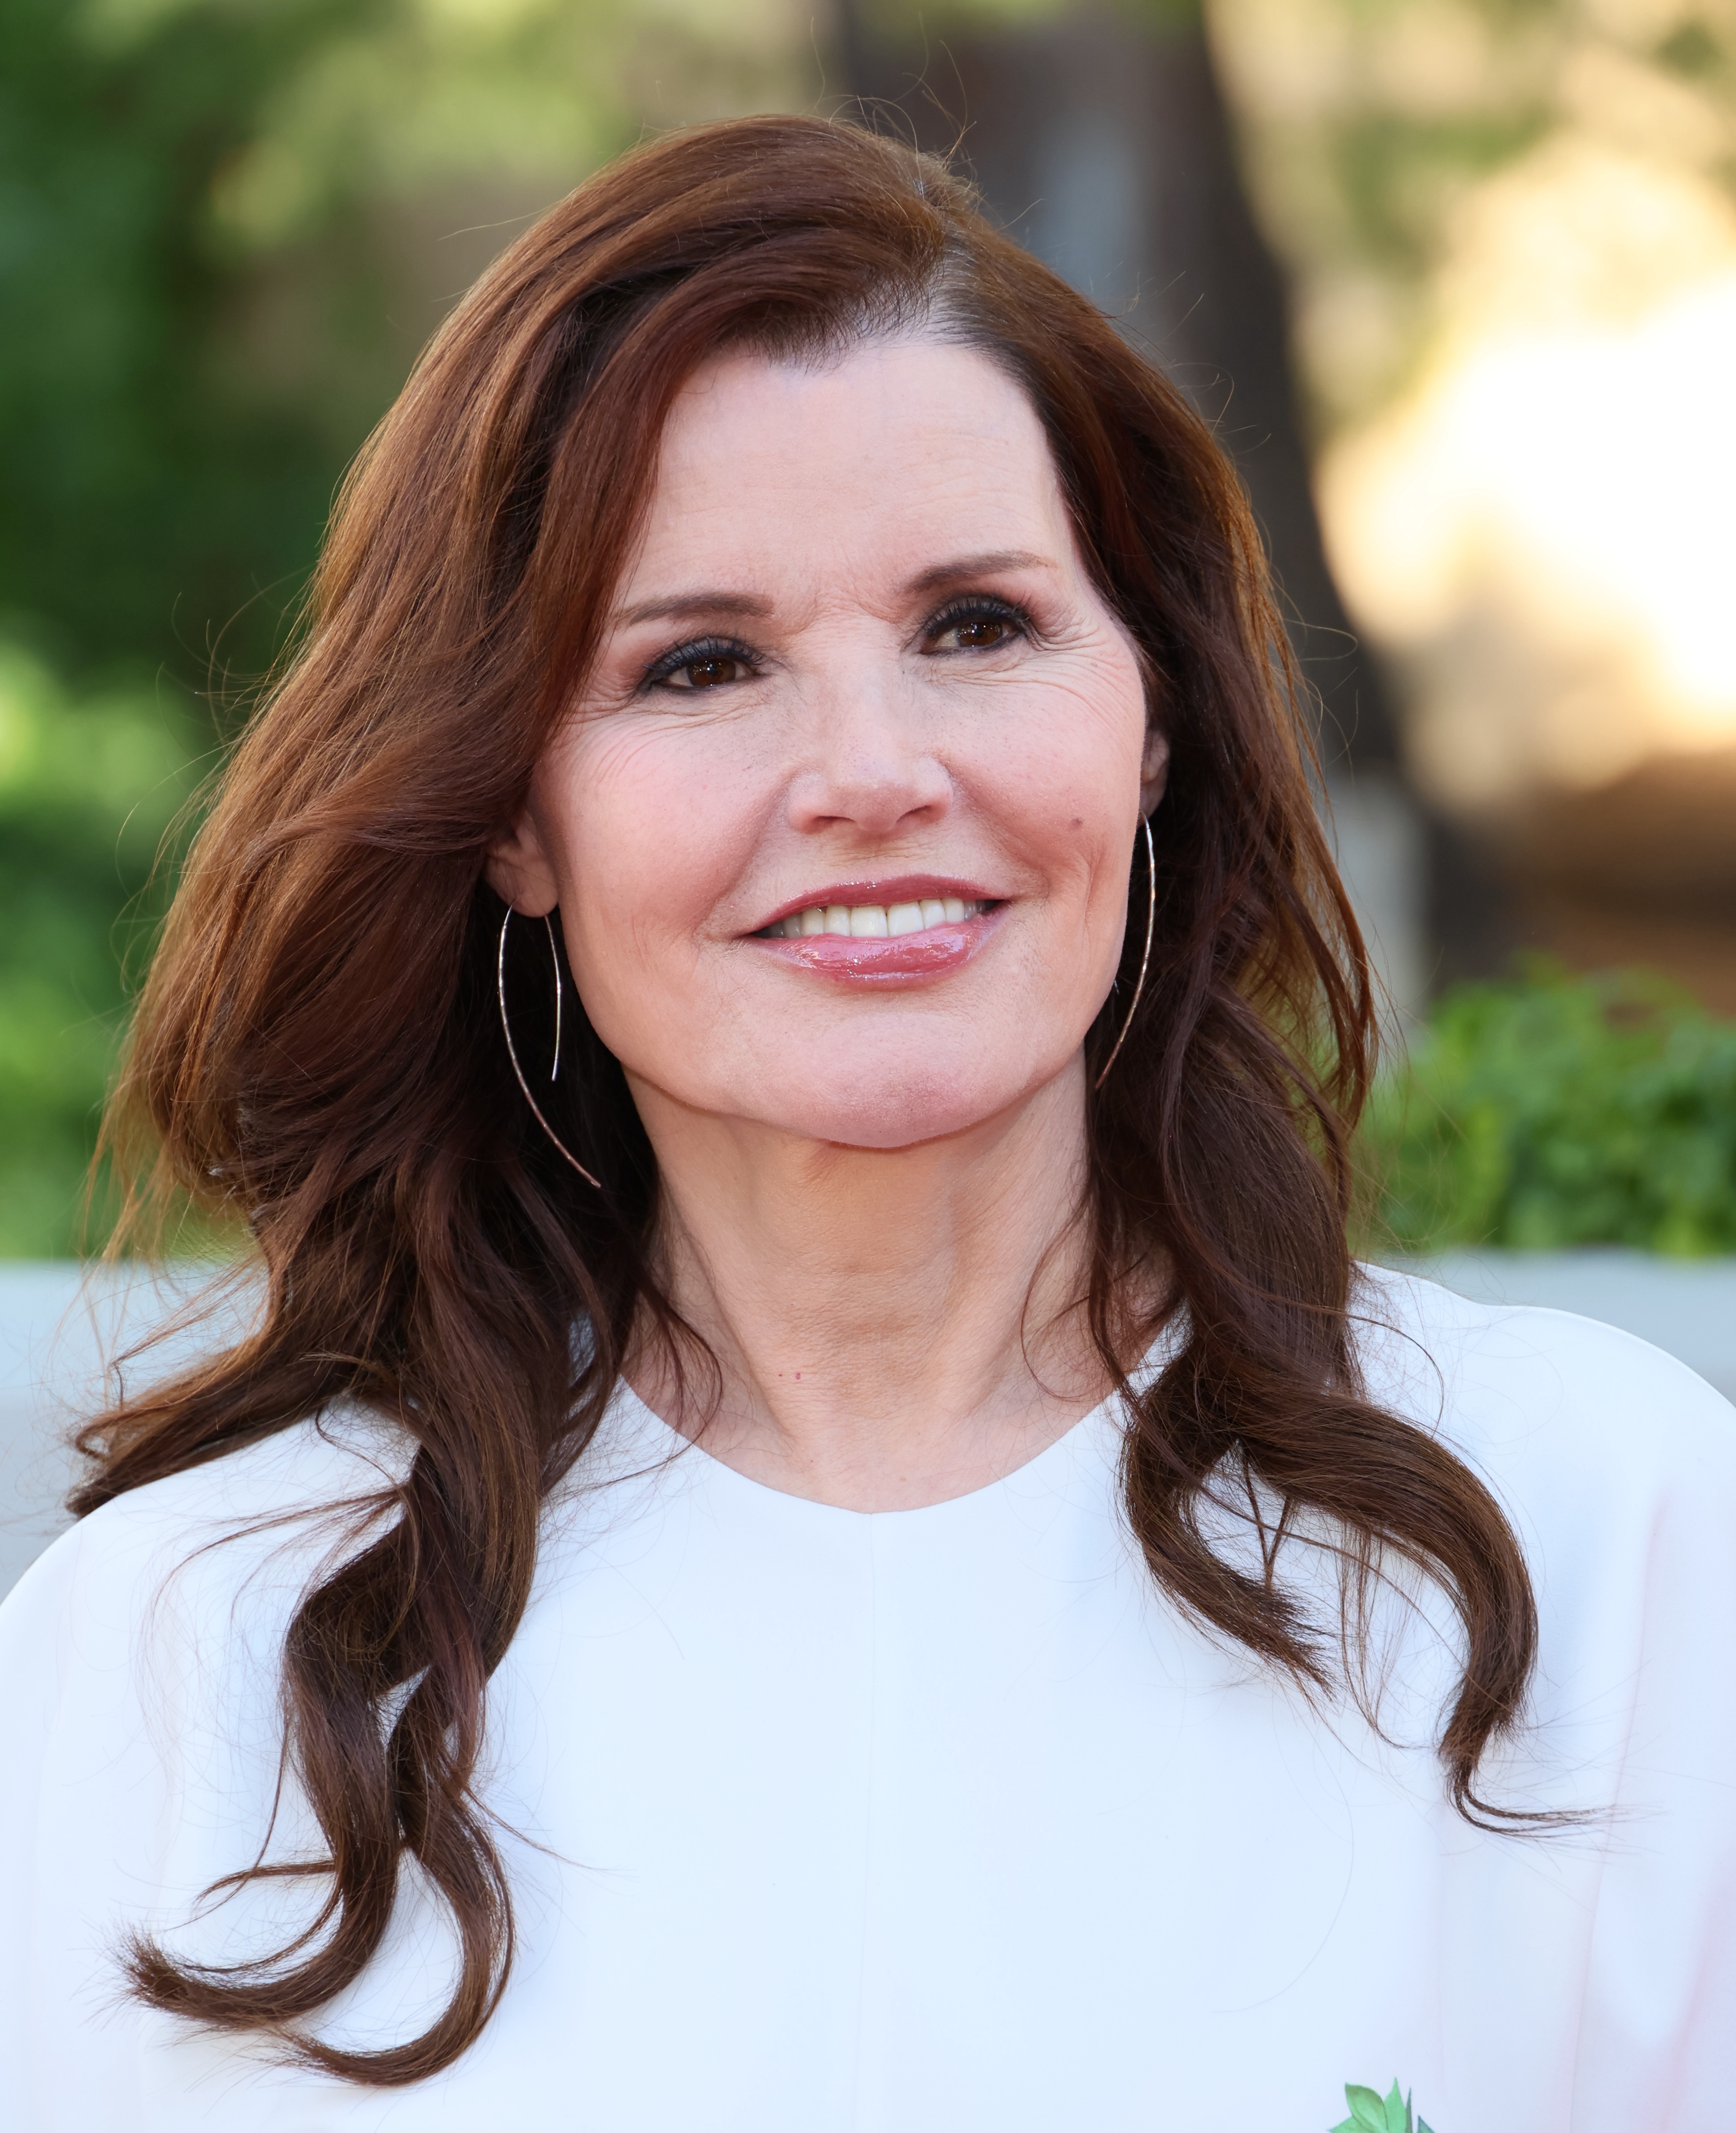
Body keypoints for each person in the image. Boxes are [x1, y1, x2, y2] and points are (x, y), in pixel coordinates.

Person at [0, 115, 1731, 2133]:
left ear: (1151, 720)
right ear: (511, 818)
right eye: (700, 664)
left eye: (974, 626)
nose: (872, 771)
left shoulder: (1599, 1537)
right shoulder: (188, 1651)